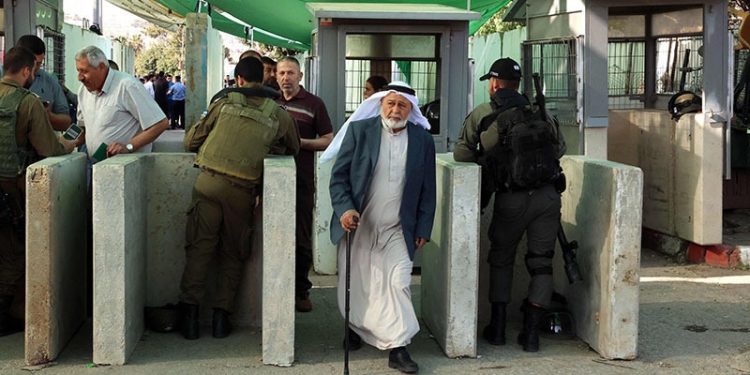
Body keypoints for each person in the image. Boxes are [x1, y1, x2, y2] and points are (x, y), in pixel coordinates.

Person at [178, 57, 300, 340]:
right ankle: (222, 320)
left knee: (199, 249)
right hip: (242, 192)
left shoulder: (224, 104)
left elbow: (190, 142)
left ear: (239, 80)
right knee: (233, 254)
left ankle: (190, 320)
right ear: (264, 79)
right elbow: (292, 147)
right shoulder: (278, 113)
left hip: (208, 184)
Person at [453, 57, 563, 352]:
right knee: (541, 262)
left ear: (493, 83)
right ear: (518, 85)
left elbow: (461, 155)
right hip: (548, 197)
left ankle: (498, 328)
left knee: (501, 258)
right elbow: (560, 149)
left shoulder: (484, 113)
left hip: (510, 198)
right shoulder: (539, 112)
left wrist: (488, 159)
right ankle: (530, 334)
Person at [328, 82, 435, 374]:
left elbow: (428, 189)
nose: (395, 109)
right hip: (359, 225)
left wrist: (424, 226)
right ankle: (355, 327)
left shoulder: (423, 141)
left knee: (399, 282)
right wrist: (345, 209)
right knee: (359, 284)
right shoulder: (360, 132)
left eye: (402, 105)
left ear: (411, 109)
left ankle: (398, 348)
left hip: (398, 228)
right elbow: (338, 179)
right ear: (380, 105)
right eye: (390, 103)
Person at [0, 47, 76, 336]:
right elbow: (49, 148)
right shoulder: (27, 102)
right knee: (14, 253)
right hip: (11, 191)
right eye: (34, 70)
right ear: (26, 71)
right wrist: (70, 144)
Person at [275, 56, 333, 313]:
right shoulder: (270, 103)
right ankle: (276, 290)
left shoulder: (314, 104)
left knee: (301, 237)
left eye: (290, 73)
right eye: (282, 73)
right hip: (271, 181)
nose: (286, 78)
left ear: (300, 76)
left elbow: (328, 140)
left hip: (302, 181)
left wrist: (300, 143)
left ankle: (301, 290)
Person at [75, 46, 169, 159]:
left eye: (84, 71)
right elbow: (82, 127)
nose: (79, 77)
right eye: (78, 71)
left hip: (127, 168)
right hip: (96, 166)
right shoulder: (83, 91)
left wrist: (128, 147)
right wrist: (63, 142)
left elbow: (160, 124)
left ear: (101, 67)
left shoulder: (127, 86)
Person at [15, 35, 72, 131]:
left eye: (39, 64)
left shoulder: (49, 82)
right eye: (32, 63)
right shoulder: (4, 77)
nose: (35, 68)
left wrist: (48, 116)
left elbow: (66, 121)